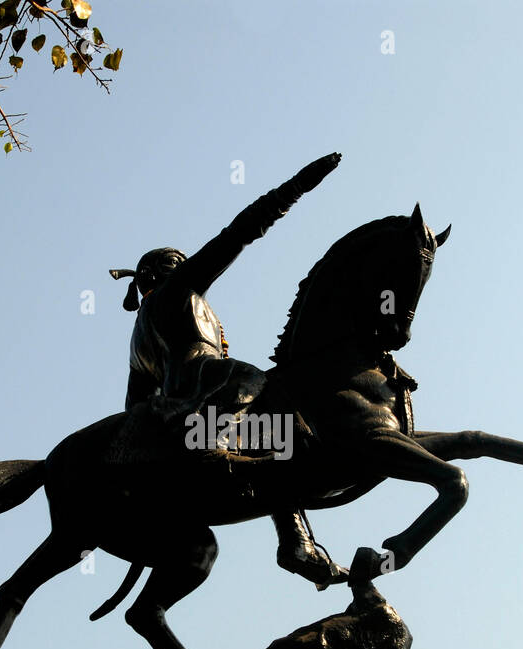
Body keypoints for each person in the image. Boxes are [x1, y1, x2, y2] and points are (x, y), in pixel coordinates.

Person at [107, 153, 347, 587]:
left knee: (276, 440)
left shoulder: (136, 337)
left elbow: (133, 405)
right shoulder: (179, 290)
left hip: (179, 409)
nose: (186, 266)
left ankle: (294, 537)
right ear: (167, 270)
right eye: (179, 262)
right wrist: (296, 187)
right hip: (214, 386)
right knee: (270, 400)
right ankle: (290, 534)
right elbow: (238, 233)